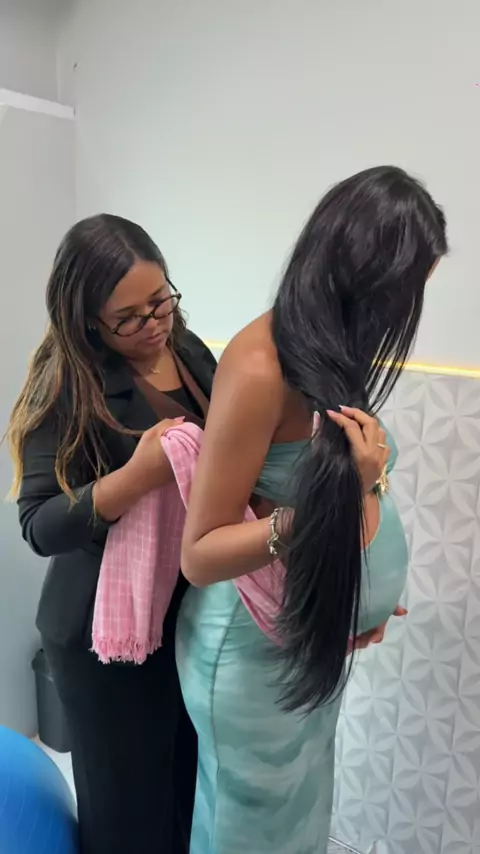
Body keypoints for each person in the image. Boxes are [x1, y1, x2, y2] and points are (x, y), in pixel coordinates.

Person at [176, 166, 448, 854]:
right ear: (360, 280)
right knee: (251, 835)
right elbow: (201, 555)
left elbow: (345, 481)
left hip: (303, 636)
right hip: (248, 653)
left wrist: (351, 589)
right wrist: (334, 513)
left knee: (297, 819)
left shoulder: (329, 350)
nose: (406, 313)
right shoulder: (259, 369)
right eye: (404, 294)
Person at [7, 215, 216, 854]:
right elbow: (38, 523)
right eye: (127, 318)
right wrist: (135, 478)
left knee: (183, 783)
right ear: (88, 321)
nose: (153, 323)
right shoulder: (65, 385)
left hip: (182, 613)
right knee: (126, 811)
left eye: (161, 300)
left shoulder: (189, 351)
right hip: (104, 634)